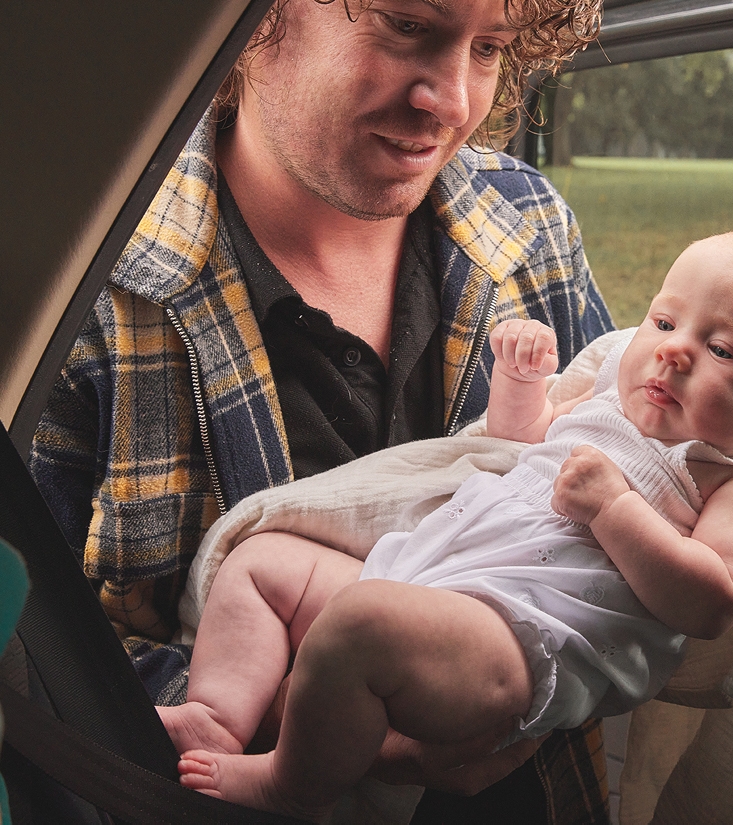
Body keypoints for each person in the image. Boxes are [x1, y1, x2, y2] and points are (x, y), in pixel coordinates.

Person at [28, 0, 616, 819]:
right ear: (252, 25)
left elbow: (626, 469)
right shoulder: (84, 281)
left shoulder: (533, 223)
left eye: (489, 49)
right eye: (407, 26)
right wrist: (314, 712)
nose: (450, 101)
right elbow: (29, 656)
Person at [156, 227, 733, 820]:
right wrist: (522, 384)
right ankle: (218, 712)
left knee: (360, 623)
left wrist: (614, 508)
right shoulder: (612, 401)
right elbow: (514, 442)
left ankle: (293, 783)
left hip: (519, 640)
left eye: (722, 350)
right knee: (266, 558)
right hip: (425, 574)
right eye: (664, 320)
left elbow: (713, 598)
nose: (672, 349)